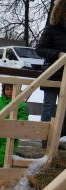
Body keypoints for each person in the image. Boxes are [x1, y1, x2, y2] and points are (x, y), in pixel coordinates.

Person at [36, 0, 66, 148]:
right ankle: (45, 139)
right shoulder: (52, 29)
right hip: (53, 73)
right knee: (49, 107)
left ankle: (60, 139)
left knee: (64, 109)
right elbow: (39, 49)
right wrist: (57, 54)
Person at [0, 84, 29, 167]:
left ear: (18, 90)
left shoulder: (21, 104)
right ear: (3, 90)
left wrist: (17, 130)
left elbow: (23, 119)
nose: (10, 91)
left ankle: (1, 171)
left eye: (12, 89)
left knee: (4, 154)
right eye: (7, 89)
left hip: (8, 135)